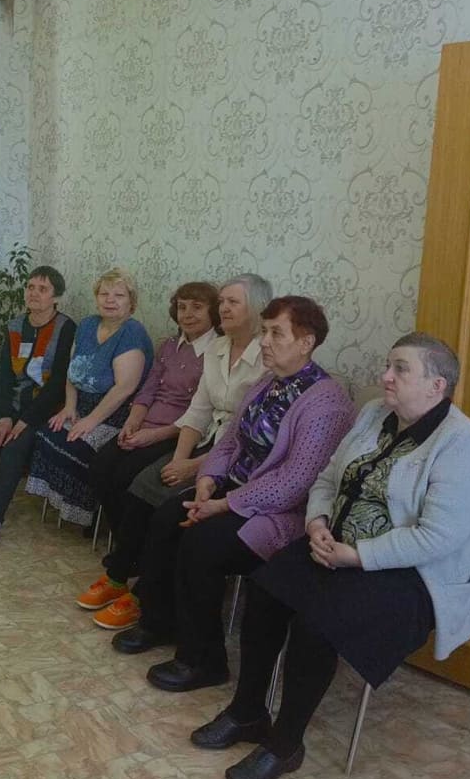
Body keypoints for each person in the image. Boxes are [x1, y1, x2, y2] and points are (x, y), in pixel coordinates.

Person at [191, 333, 470, 779]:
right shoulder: (374, 414)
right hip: (336, 544)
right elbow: (328, 478)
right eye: (388, 365)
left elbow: (439, 537)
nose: (385, 376)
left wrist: (358, 555)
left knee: (316, 624)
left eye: (400, 369)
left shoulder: (462, 444)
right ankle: (247, 711)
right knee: (266, 587)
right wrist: (316, 522)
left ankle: (285, 743)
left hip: (413, 574)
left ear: (437, 386)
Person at [111, 297, 354, 700]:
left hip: (282, 514)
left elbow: (295, 483)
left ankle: (204, 660)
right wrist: (207, 480)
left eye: (277, 333)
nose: (265, 342)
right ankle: (159, 621)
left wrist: (224, 504)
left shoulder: (326, 402)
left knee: (202, 543)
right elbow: (231, 440)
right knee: (167, 516)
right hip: (236, 491)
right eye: (265, 331)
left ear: (306, 342)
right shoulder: (268, 382)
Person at [79, 274, 270, 629]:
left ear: (257, 309)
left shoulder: (266, 358)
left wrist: (192, 465)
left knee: (165, 509)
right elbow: (198, 411)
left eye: (232, 302)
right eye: (222, 302)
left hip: (229, 453)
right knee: (142, 488)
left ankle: (144, 595)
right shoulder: (219, 348)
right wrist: (180, 460)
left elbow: (246, 434)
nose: (224, 308)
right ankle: (119, 576)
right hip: (202, 439)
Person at [24, 268, 153, 528]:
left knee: (76, 445)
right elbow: (73, 369)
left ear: (131, 302)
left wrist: (91, 421)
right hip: (81, 404)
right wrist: (69, 407)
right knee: (45, 433)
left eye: (119, 295)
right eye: (104, 294)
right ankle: (62, 502)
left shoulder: (132, 333)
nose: (110, 300)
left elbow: (124, 388)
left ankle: (84, 512)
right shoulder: (87, 325)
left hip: (115, 414)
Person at [0, 266, 76, 550]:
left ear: (56, 297)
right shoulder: (14, 326)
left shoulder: (66, 328)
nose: (34, 293)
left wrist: (26, 420)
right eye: (30, 287)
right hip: (13, 408)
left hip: (46, 410)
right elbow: (3, 377)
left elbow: (58, 383)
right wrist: (4, 416)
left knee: (14, 447)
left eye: (43, 289)